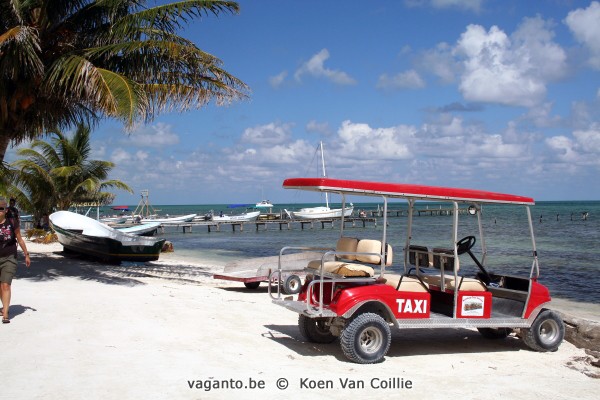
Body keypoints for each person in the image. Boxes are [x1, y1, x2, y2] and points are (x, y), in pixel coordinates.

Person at [0, 198, 31, 323]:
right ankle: (4, 307)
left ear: (6, 210)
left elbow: (20, 239)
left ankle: (6, 313)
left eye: (1, 209)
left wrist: (26, 254)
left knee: (6, 284)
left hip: (10, 257)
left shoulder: (12, 222)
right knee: (0, 286)